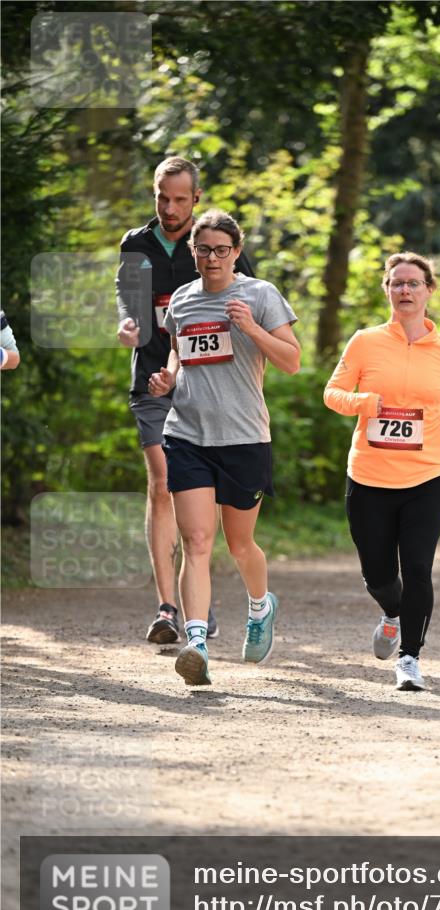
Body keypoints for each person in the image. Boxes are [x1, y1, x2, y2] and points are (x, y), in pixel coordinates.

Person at [148, 209, 300, 686]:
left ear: (236, 252)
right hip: (187, 434)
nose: (212, 258)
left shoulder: (260, 294)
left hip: (244, 438)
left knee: (240, 544)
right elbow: (177, 349)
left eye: (221, 249)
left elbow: (292, 361)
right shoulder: (184, 300)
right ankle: (196, 643)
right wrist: (169, 375)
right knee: (196, 542)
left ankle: (260, 606)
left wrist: (252, 328)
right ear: (193, 253)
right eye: (203, 249)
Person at [323, 251, 440, 691]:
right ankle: (392, 613)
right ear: (387, 290)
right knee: (377, 573)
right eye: (397, 283)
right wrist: (362, 403)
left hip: (427, 477)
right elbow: (332, 393)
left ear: (429, 290)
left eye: (413, 283)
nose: (405, 291)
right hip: (369, 477)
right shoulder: (365, 341)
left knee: (417, 568)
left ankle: (410, 659)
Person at [115, 156, 254, 646]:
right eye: (162, 197)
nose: (170, 207)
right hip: (154, 381)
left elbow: (252, 302)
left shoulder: (216, 241)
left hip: (210, 391)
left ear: (196, 198)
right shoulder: (136, 243)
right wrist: (129, 322)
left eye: (179, 199)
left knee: (202, 497)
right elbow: (127, 297)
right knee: (162, 482)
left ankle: (198, 592)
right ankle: (168, 608)